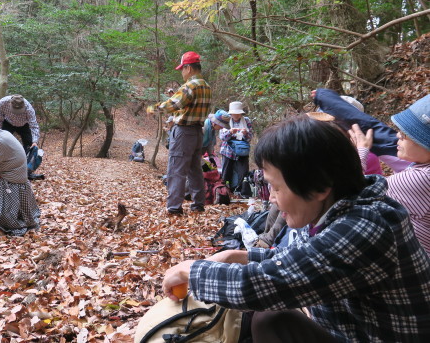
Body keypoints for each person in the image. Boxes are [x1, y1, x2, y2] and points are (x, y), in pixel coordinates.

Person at [161, 115, 430, 342]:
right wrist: (238, 256)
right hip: (349, 330)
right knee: (269, 322)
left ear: (320, 186)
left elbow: (267, 284)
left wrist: (191, 270)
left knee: (271, 318)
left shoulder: (366, 226)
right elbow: (296, 258)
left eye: (276, 188)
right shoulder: (331, 208)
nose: (272, 200)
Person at [350, 94, 430, 254]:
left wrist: (361, 151)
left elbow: (351, 192)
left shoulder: (422, 179)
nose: (398, 135)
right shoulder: (422, 169)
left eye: (406, 134)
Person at [149, 51, 211, 215]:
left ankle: (174, 207)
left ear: (189, 68)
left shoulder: (190, 86)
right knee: (195, 169)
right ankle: (198, 204)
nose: (182, 73)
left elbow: (172, 104)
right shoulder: (206, 86)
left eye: (182, 69)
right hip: (198, 132)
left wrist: (154, 108)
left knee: (176, 168)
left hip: (184, 132)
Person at [312, 88, 410, 172]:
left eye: (335, 123)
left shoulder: (368, 152)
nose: (331, 127)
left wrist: (362, 152)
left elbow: (349, 185)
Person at [219, 101, 253, 192]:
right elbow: (222, 137)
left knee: (243, 172)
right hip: (228, 149)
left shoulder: (246, 120)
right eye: (234, 113)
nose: (236, 115)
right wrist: (230, 132)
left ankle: (241, 191)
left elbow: (250, 138)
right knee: (226, 172)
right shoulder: (226, 120)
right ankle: (224, 191)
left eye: (238, 113)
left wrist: (246, 133)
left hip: (242, 149)